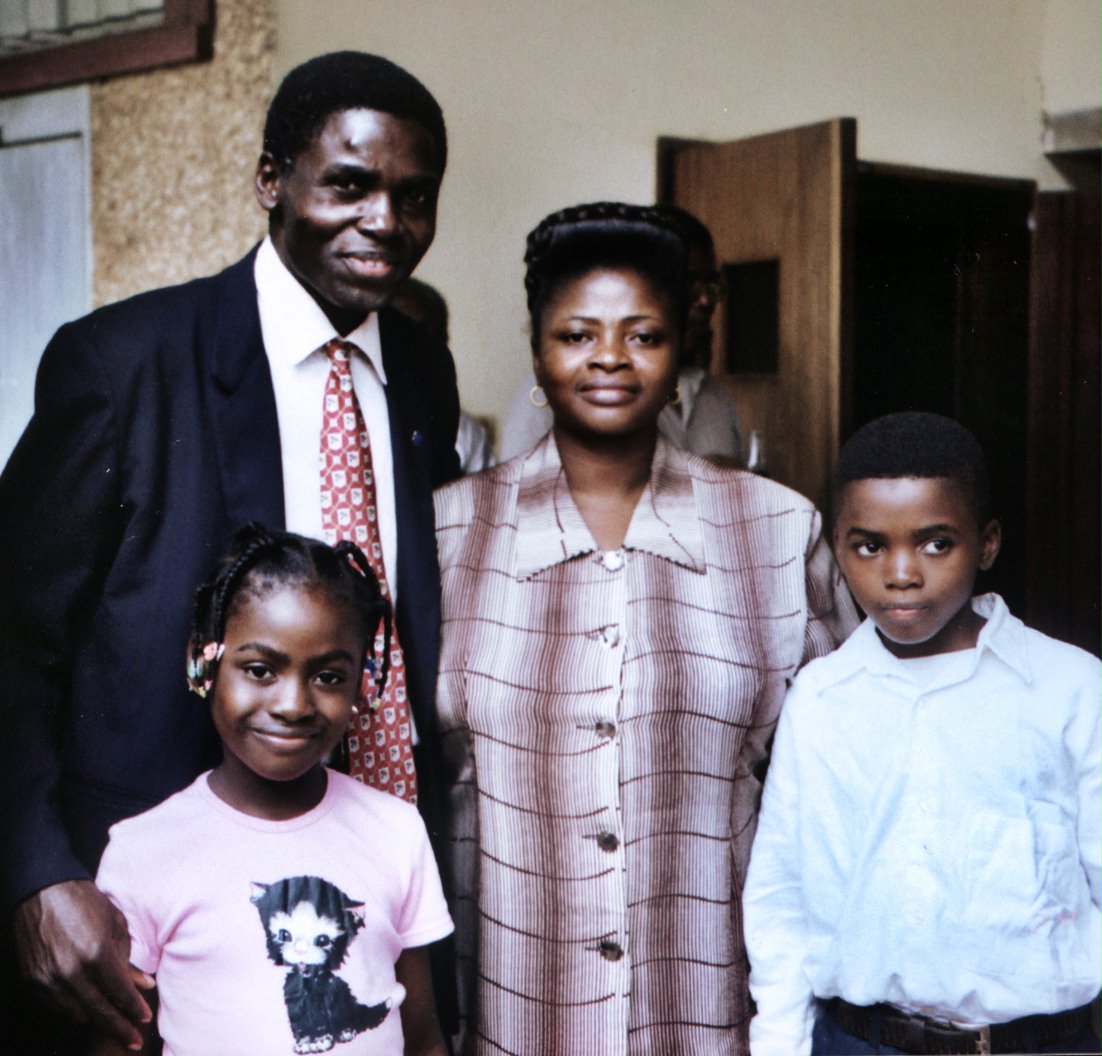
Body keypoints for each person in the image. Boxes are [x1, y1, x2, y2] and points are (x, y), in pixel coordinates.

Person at [0, 51, 460, 1052]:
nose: (383, 219)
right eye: (347, 183)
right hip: (156, 927)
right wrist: (34, 873)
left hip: (376, 885)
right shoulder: (122, 364)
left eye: (412, 196)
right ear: (269, 182)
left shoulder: (419, 368)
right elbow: (11, 640)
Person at [433, 201, 856, 1054]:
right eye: (577, 334)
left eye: (643, 335)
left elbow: (837, 774)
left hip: (708, 1004)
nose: (610, 360)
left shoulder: (776, 529)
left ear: (680, 353)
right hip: (511, 1008)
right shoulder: (449, 532)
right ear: (537, 351)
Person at [743, 412, 1102, 1056]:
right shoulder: (822, 700)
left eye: (937, 543)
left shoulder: (1070, 688)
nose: (902, 572)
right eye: (869, 545)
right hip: (860, 1041)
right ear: (839, 549)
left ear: (987, 543)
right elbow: (782, 895)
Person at [91, 525, 453, 1056]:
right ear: (204, 660)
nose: (293, 704)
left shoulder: (396, 831)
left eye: (329, 676)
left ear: (362, 681)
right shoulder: (144, 851)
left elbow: (423, 1040)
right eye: (260, 670)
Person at [498, 202, 744, 463]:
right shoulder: (560, 394)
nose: (705, 300)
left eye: (711, 284)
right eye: (690, 280)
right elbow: (518, 495)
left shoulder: (714, 396)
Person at [391, 277, 496, 474]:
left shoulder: (466, 433)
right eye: (408, 338)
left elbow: (487, 501)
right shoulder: (351, 420)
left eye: (434, 337)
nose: (422, 351)